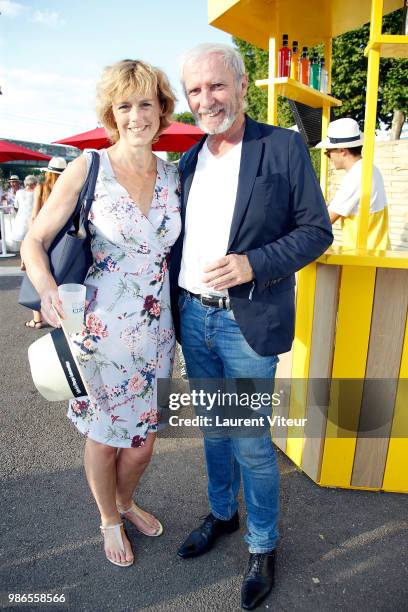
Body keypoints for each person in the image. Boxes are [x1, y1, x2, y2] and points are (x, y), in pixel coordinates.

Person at [170, 43, 333, 610]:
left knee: (252, 444)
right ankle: (223, 514)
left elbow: (317, 231)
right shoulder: (189, 160)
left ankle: (263, 547)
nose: (206, 99)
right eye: (195, 91)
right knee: (214, 432)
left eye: (216, 86)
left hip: (246, 322)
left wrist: (252, 264)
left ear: (241, 86)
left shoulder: (284, 146)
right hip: (194, 317)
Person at [22, 59, 180, 567]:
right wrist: (48, 292)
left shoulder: (175, 177)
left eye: (146, 104)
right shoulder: (88, 168)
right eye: (125, 106)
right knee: (106, 436)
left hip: (157, 331)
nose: (137, 115)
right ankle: (109, 518)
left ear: (162, 110)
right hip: (100, 328)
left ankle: (126, 500)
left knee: (143, 447)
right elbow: (35, 240)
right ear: (113, 114)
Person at [316, 117, 390, 250]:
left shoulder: (356, 177)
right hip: (378, 252)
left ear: (342, 151)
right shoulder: (370, 169)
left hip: (362, 258)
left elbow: (324, 221)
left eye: (328, 152)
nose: (329, 157)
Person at [23, 159, 67, 329]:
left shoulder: (41, 188)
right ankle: (60, 316)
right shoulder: (65, 187)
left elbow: (34, 216)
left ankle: (37, 318)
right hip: (61, 238)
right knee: (59, 275)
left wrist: (30, 241)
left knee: (39, 275)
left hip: (42, 237)